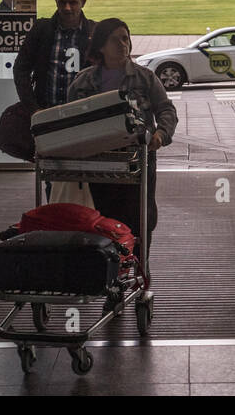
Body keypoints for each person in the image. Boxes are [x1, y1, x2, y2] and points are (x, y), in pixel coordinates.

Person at [67, 17, 177, 260]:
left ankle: (139, 272)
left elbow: (166, 110)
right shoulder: (83, 82)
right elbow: (70, 119)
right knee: (104, 220)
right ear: (100, 46)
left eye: (125, 38)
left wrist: (160, 134)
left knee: (141, 219)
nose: (122, 44)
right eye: (114, 39)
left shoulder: (145, 78)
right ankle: (111, 272)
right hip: (98, 165)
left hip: (138, 162)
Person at [13, 0, 95, 114]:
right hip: (45, 113)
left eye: (73, 2)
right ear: (56, 1)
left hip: (83, 116)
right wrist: (33, 108)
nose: (67, 8)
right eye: (62, 2)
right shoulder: (40, 30)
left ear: (83, 2)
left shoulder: (94, 32)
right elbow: (21, 69)